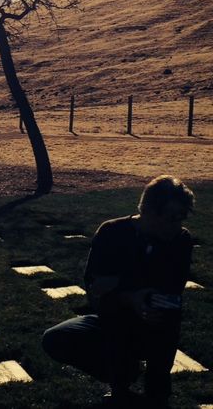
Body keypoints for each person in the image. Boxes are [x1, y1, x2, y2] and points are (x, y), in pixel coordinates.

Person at [42, 175, 195, 408]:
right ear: (148, 211)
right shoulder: (112, 232)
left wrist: (120, 284)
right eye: (172, 217)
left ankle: (156, 394)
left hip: (156, 321)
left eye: (182, 217)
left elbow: (172, 287)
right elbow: (95, 289)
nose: (178, 224)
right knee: (55, 338)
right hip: (113, 318)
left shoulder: (181, 240)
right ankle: (121, 383)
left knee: (166, 322)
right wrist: (131, 296)